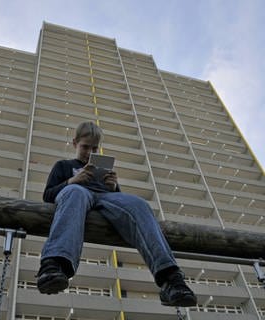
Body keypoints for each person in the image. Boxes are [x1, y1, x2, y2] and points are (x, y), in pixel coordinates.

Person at [37, 121, 197, 307]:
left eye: (94, 148)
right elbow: (48, 196)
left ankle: (171, 279)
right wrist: (73, 180)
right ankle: (53, 266)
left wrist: (113, 187)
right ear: (74, 143)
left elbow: (121, 205)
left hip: (105, 196)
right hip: (77, 194)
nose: (89, 153)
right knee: (75, 192)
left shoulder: (102, 167)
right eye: (85, 147)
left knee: (138, 203)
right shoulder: (63, 165)